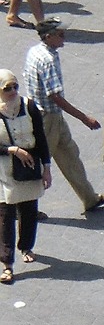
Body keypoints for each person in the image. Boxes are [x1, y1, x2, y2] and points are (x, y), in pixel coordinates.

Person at [24, 19, 104, 214]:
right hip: (47, 119)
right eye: (60, 34)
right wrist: (84, 118)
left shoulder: (34, 51)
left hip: (50, 117)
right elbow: (54, 96)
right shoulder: (48, 60)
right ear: (48, 36)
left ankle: (89, 198)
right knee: (39, 163)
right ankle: (26, 206)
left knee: (70, 155)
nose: (64, 37)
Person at [0, 68, 51, 284]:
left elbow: (40, 137)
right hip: (4, 170)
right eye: (6, 88)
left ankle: (26, 246)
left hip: (29, 167)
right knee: (5, 216)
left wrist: (46, 168)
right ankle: (7, 264)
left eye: (15, 86)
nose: (12, 91)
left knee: (29, 211)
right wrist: (12, 150)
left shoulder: (29, 106)